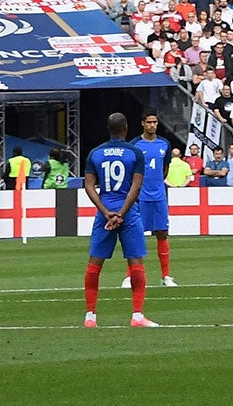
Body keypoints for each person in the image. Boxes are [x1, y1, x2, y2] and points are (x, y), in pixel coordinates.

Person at [83, 112, 154, 328]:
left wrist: (105, 211)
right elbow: (136, 185)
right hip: (128, 212)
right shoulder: (135, 153)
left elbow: (88, 186)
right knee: (135, 261)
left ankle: (90, 316)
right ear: (125, 128)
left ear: (109, 128)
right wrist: (122, 213)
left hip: (104, 210)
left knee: (95, 263)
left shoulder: (95, 153)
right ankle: (137, 316)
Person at [134, 112, 178, 287]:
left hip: (159, 195)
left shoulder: (164, 144)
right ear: (143, 123)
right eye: (149, 122)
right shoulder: (135, 145)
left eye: (155, 122)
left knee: (162, 233)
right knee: (136, 234)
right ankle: (131, 276)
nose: (152, 125)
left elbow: (165, 168)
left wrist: (157, 183)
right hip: (140, 196)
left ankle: (166, 276)